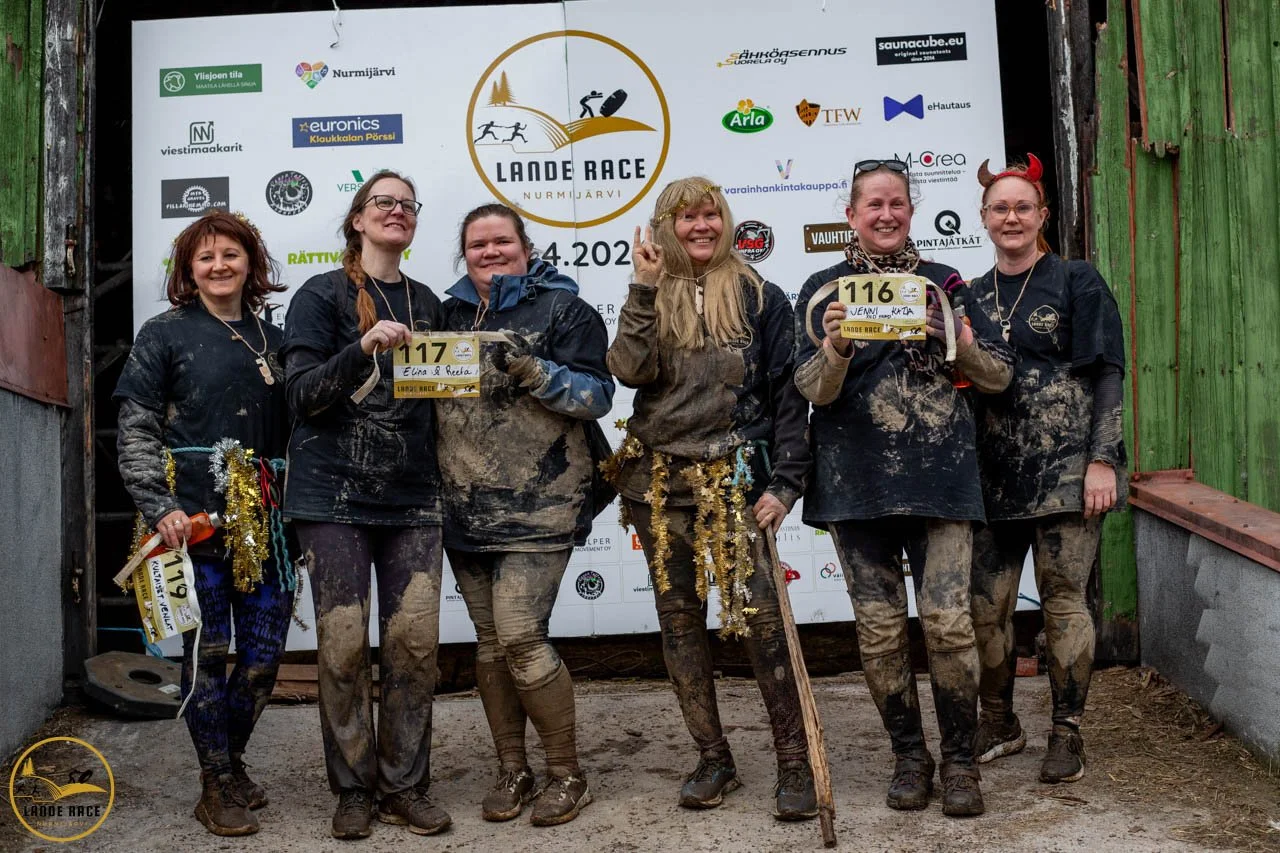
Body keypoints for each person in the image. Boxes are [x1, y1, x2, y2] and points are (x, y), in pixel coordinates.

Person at [793, 159, 1015, 817]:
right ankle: (909, 759)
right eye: (874, 204)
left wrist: (959, 343)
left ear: (911, 211)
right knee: (881, 630)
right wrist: (835, 349)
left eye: (897, 203)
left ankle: (960, 763)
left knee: (947, 624)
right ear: (851, 215)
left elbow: (998, 377)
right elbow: (811, 390)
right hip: (855, 484)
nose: (886, 214)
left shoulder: (947, 285)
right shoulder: (823, 291)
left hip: (941, 480)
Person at [605, 177, 818, 821]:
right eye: (687, 217)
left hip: (736, 480)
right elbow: (629, 370)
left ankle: (794, 761)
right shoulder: (650, 290)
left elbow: (789, 395)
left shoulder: (759, 294)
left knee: (762, 621)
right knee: (679, 621)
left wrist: (785, 482)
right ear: (665, 227)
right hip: (658, 484)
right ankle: (713, 757)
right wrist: (643, 290)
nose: (701, 227)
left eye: (711, 215)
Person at [281, 170, 450, 839]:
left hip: (413, 498)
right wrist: (363, 347)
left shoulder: (429, 301)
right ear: (358, 219)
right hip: (333, 497)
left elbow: (446, 401)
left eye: (408, 204)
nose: (397, 211)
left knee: (414, 646)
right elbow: (300, 394)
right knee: (343, 648)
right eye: (383, 201)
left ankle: (405, 786)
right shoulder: (320, 295)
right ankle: (353, 789)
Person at [114, 210, 293, 837]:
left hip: (267, 530)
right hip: (189, 527)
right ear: (189, 271)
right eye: (206, 257)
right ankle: (216, 782)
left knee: (264, 659)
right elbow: (136, 429)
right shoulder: (163, 333)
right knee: (208, 655)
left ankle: (230, 761)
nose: (220, 266)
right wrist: (158, 505)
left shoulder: (276, 339)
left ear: (251, 264)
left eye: (231, 254)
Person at [435, 203, 614, 826]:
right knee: (490, 645)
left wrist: (535, 371)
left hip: (542, 502)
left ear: (526, 248)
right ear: (464, 254)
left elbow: (597, 396)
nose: (490, 252)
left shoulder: (565, 310)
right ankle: (513, 769)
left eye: (502, 242)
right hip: (463, 504)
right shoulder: (447, 315)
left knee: (520, 635)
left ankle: (568, 774)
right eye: (477, 244)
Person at [966, 155, 1127, 784]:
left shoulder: (1076, 280)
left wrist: (1102, 461)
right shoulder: (969, 294)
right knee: (986, 607)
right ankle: (999, 721)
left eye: (1023, 207)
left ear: (1042, 216)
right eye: (1000, 208)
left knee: (1063, 601)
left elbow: (1107, 373)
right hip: (990, 478)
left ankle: (1067, 732)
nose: (1011, 217)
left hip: (1067, 474)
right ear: (984, 218)